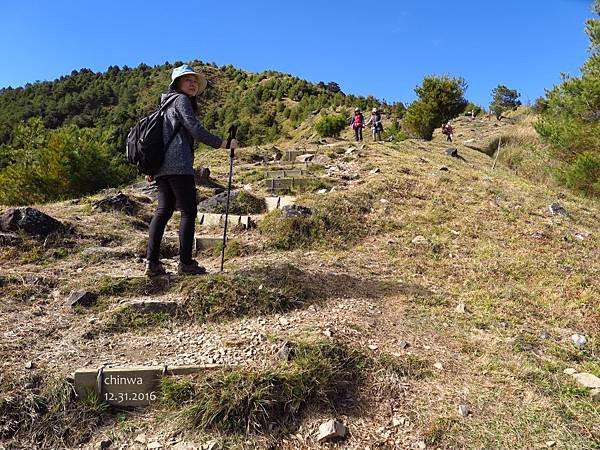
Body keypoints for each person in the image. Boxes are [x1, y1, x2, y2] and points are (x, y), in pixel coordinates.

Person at [145, 64, 237, 277]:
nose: (193, 84)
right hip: (179, 165)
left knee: (163, 212)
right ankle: (185, 263)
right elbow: (195, 129)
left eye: (195, 81)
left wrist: (152, 167)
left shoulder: (164, 105)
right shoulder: (181, 100)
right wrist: (223, 144)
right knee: (188, 211)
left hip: (161, 168)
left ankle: (152, 263)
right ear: (177, 83)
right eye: (188, 80)